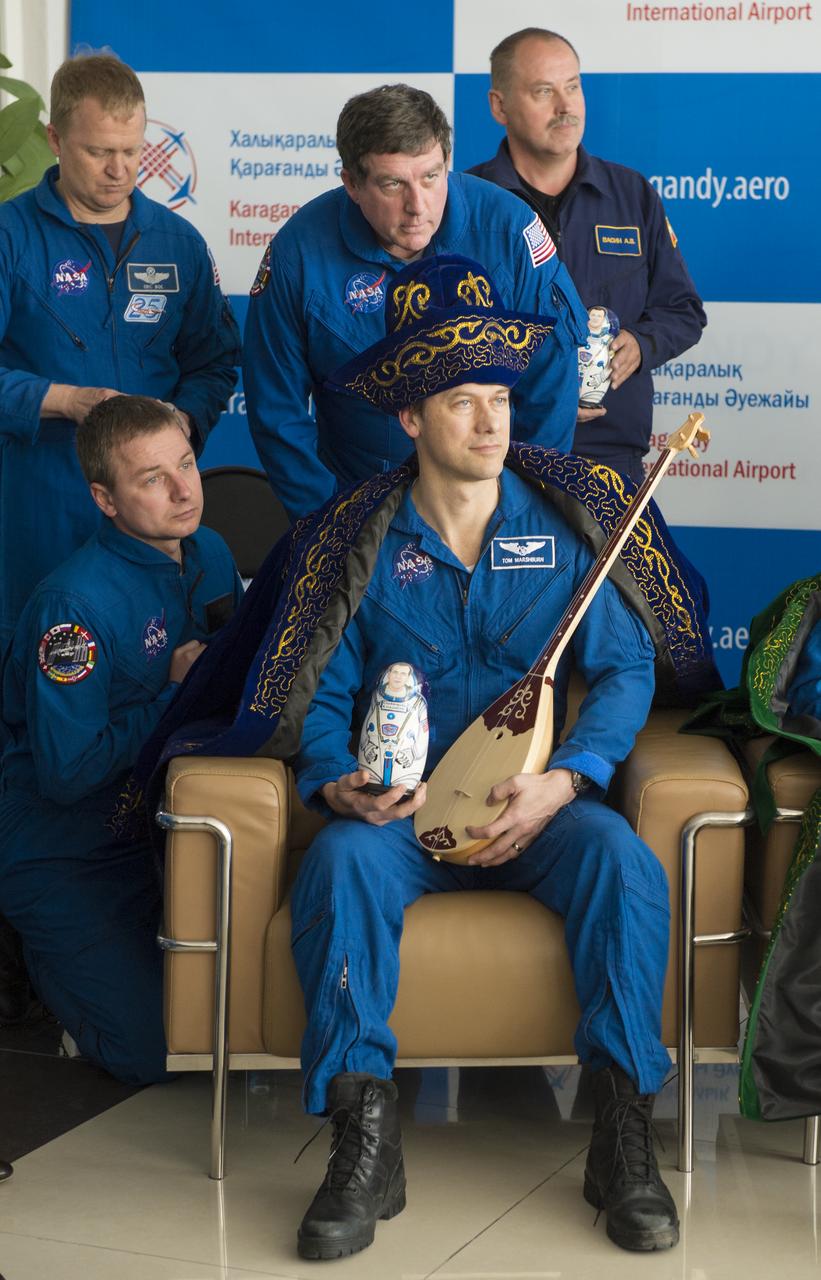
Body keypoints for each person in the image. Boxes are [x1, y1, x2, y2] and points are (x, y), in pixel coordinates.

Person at [282, 255, 679, 1257]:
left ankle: (623, 1132)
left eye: (498, 397)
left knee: (622, 860)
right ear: (410, 418)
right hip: (404, 817)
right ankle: (363, 1134)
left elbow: (625, 668)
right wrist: (336, 775)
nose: (489, 421)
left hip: (533, 806)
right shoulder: (358, 536)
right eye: (461, 400)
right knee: (333, 860)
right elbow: (320, 687)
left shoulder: (564, 518)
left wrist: (565, 778)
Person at [0, 396, 243, 1084]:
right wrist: (175, 696)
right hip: (65, 849)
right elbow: (67, 771)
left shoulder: (211, 552)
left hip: (159, 838)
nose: (182, 490)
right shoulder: (73, 609)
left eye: (187, 464)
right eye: (150, 479)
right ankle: (35, 951)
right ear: (105, 500)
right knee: (155, 1054)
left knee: (233, 1030)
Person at [243, 82, 589, 521]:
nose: (417, 206)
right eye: (392, 184)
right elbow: (278, 414)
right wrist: (329, 524)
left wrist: (520, 507)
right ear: (351, 182)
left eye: (431, 177)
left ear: (448, 161)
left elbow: (552, 386)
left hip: (493, 499)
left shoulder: (511, 230)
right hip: (358, 500)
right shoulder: (299, 253)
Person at [0, 53, 240, 652]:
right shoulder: (11, 236)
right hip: (40, 501)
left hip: (149, 514)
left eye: (132, 151)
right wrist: (63, 400)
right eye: (99, 152)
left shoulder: (176, 241)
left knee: (161, 673)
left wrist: (182, 421)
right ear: (55, 139)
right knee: (44, 678)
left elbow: (215, 361)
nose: (120, 170)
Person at [468, 28, 706, 484]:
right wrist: (542, 392)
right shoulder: (467, 204)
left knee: (625, 561)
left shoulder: (632, 194)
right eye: (544, 91)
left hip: (611, 466)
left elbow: (683, 311)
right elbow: (442, 337)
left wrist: (642, 343)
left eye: (573, 87)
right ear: (499, 106)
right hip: (497, 459)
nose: (566, 107)